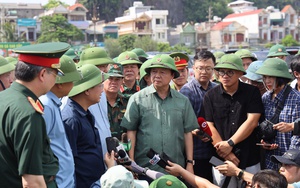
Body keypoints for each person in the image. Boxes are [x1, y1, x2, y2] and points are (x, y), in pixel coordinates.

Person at [0, 42, 70, 187]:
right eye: (55, 74)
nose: (55, 80)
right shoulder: (29, 113)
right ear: (43, 74)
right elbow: (32, 182)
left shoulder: (5, 98)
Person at [120, 54, 198, 176]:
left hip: (175, 167)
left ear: (172, 75)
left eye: (162, 72)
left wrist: (189, 163)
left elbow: (187, 132)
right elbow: (131, 131)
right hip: (145, 168)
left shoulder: (182, 101)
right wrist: (132, 162)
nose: (157, 75)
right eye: (154, 72)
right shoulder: (137, 99)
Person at [203, 54, 264, 187]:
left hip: (249, 156)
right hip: (221, 158)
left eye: (230, 72)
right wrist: (225, 152)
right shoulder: (210, 95)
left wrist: (230, 143)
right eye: (221, 72)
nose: (225, 75)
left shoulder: (252, 92)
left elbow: (252, 121)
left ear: (240, 74)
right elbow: (209, 125)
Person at [61, 64, 108, 187]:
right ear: (87, 90)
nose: (102, 90)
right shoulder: (71, 119)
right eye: (99, 86)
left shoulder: (85, 113)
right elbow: (68, 163)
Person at [39, 55, 82, 188]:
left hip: (64, 180)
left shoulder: (53, 103)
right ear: (61, 83)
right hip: (57, 181)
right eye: (72, 80)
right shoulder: (46, 105)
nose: (73, 84)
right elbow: (39, 147)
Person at [256, 58, 300, 170]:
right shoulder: (266, 97)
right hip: (270, 160)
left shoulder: (296, 99)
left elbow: (297, 135)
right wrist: (265, 142)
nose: (267, 81)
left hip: (290, 163)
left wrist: (289, 160)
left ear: (280, 77)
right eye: (265, 77)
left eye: (270, 77)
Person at [180, 50, 217, 182]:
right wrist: (196, 132)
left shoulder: (217, 89)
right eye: (200, 68)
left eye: (208, 68)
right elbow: (182, 123)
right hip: (196, 152)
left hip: (215, 150)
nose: (204, 72)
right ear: (193, 69)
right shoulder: (187, 91)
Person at [79, 47, 115, 157]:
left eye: (105, 66)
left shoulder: (101, 93)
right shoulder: (77, 96)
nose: (103, 70)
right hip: (89, 156)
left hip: (105, 155)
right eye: (99, 66)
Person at [104, 64, 128, 140]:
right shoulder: (96, 102)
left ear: (122, 81)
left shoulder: (127, 102)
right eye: (110, 78)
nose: (113, 82)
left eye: (117, 79)